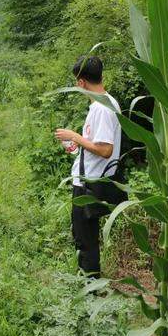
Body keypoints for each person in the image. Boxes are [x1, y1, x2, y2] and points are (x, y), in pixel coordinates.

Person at [55, 55, 121, 278]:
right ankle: (88, 282)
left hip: (90, 182)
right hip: (92, 177)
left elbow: (105, 149)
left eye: (77, 82)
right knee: (84, 235)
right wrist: (77, 145)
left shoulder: (102, 108)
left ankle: (90, 288)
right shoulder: (107, 102)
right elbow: (96, 145)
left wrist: (74, 135)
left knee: (86, 238)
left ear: (81, 82)